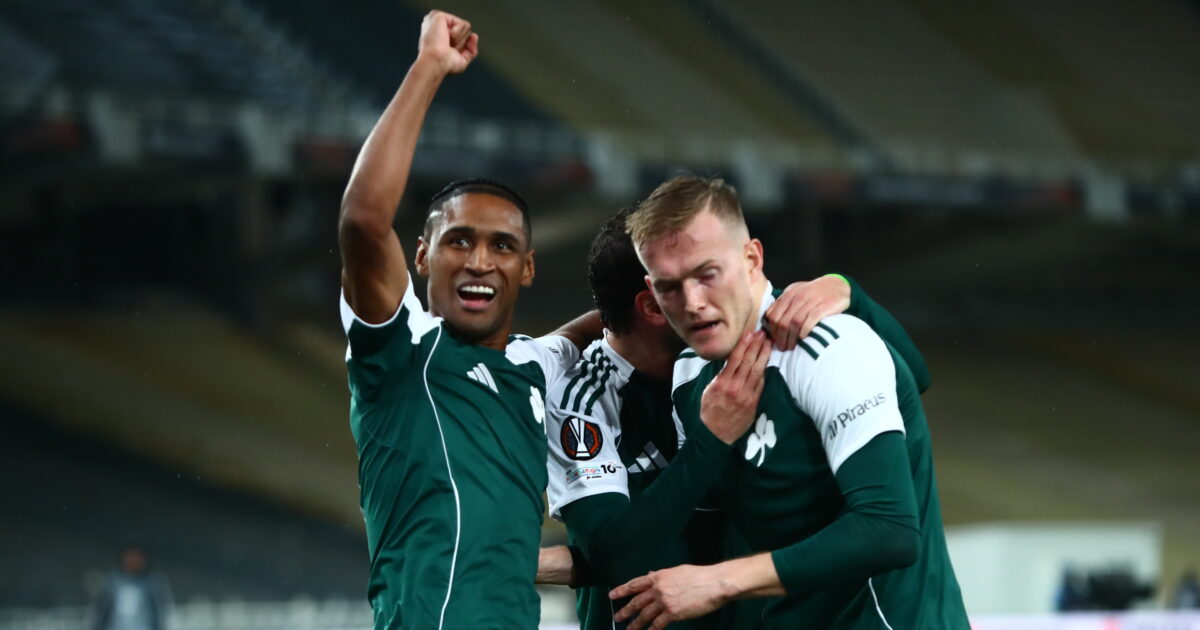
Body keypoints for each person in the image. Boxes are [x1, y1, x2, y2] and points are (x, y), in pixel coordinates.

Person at [539, 206, 935, 629]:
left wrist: (848, 294)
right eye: (687, 281)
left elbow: (912, 379)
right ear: (655, 303)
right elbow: (617, 558)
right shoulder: (583, 402)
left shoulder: (738, 342)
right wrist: (711, 440)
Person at [338, 11, 599, 629]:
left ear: (527, 268)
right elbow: (363, 223)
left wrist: (816, 292)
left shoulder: (533, 368)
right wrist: (429, 66)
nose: (479, 261)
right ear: (422, 255)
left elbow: (620, 320)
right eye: (458, 240)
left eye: (501, 246)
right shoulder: (401, 352)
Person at [90, 546, 172, 630]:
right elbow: (101, 612)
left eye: (137, 557)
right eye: (130, 557)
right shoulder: (112, 584)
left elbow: (159, 613)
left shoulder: (153, 584)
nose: (133, 561)